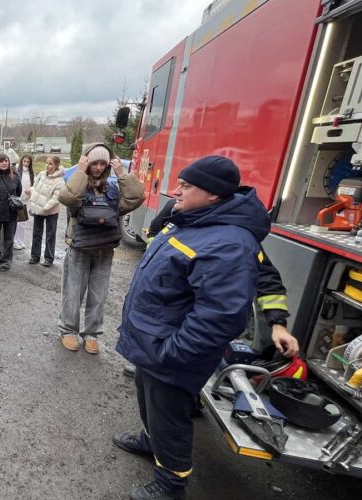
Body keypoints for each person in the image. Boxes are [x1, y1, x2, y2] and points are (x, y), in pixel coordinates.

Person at [113, 156, 270, 500]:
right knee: (150, 399)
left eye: (186, 186)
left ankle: (171, 483)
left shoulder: (228, 242)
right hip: (154, 342)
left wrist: (174, 353)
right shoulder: (192, 220)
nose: (176, 191)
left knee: (169, 414)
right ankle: (151, 441)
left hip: (170, 351)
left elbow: (221, 315)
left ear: (213, 194)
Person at [147, 197, 299, 357]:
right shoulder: (175, 209)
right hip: (159, 314)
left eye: (186, 186)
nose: (177, 192)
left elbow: (266, 277)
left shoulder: (237, 238)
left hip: (186, 323)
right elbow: (154, 232)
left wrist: (278, 324)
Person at [57, 144, 144, 354]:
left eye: (102, 163)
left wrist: (122, 174)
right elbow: (67, 198)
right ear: (87, 162)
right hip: (79, 246)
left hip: (105, 248)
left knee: (98, 294)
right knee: (73, 292)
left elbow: (135, 198)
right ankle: (68, 330)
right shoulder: (78, 186)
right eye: (93, 163)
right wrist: (79, 171)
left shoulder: (113, 189)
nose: (97, 167)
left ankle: (91, 333)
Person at [28, 155, 66, 266]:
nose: (47, 166)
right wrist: (32, 200)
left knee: (50, 235)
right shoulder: (41, 175)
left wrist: (45, 207)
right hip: (38, 210)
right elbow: (35, 189)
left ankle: (49, 258)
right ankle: (35, 256)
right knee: (36, 233)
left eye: (50, 164)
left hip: (51, 212)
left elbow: (56, 197)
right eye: (47, 163)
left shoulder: (60, 181)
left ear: (56, 165)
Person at [13, 154, 34, 250]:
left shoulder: (31, 173)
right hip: (18, 200)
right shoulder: (17, 171)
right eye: (24, 161)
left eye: (28, 162)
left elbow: (34, 185)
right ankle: (15, 241)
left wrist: (30, 189)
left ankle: (21, 241)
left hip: (26, 200)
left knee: (23, 222)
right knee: (17, 222)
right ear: (21, 161)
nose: (26, 163)